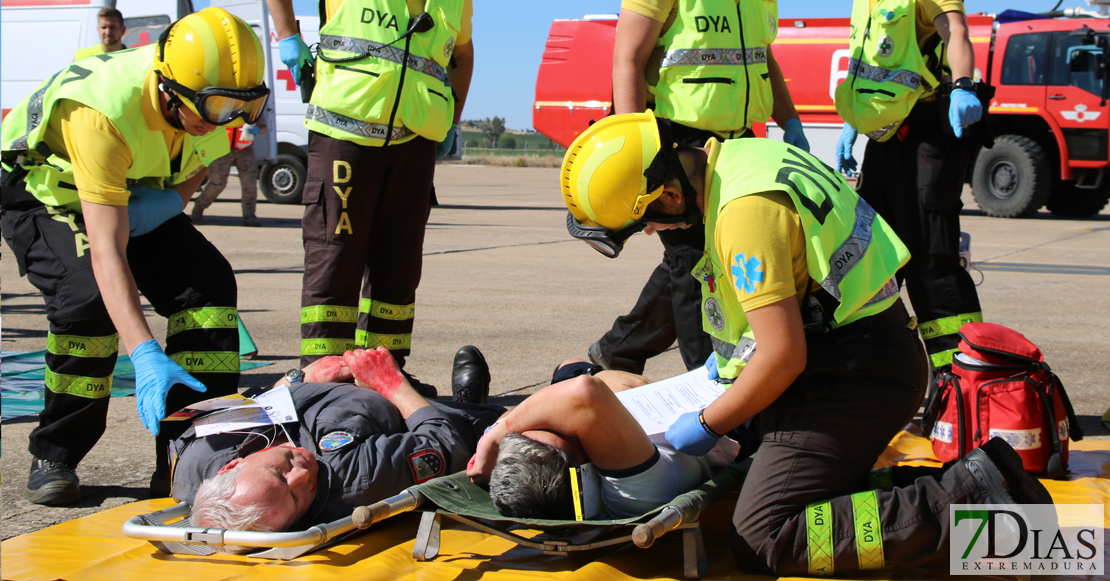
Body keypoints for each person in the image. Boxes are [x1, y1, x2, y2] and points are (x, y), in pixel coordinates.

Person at [558, 111, 1053, 575]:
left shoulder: (743, 215)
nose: (651, 231)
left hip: (854, 378)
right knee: (780, 487)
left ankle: (971, 510)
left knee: (765, 536)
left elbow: (782, 355)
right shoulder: (742, 159)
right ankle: (984, 482)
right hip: (856, 358)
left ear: (668, 193)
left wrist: (709, 423)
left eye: (645, 221)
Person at [1, 8, 271, 506]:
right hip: (45, 191)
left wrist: (169, 203)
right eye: (219, 109)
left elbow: (194, 162)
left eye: (245, 108)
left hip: (126, 189)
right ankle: (56, 451)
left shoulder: (212, 98)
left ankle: (190, 454)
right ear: (169, 90)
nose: (231, 119)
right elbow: (107, 251)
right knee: (85, 297)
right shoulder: (102, 111)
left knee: (207, 284)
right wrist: (144, 352)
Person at [265, 0, 475, 396]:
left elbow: (462, 52)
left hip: (415, 141)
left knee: (399, 265)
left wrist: (453, 116)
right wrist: (288, 36)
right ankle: (322, 380)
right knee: (335, 258)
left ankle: (387, 374)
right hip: (344, 132)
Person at [590, 0, 809, 376]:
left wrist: (790, 120)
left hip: (737, 142)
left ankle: (618, 350)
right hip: (677, 141)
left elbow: (762, 57)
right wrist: (642, 157)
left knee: (688, 258)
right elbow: (627, 59)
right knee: (698, 265)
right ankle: (707, 382)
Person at [176, 346, 502, 553]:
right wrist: (391, 383)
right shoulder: (351, 478)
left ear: (230, 467)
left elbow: (249, 402)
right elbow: (446, 444)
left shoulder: (198, 457)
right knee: (487, 427)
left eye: (279, 472)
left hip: (329, 388)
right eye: (295, 498)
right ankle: (468, 402)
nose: (302, 475)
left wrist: (296, 379)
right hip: (407, 409)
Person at [834, 0, 985, 369]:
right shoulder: (866, 3)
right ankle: (880, 371)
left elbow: (956, 31)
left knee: (930, 259)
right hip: (884, 139)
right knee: (871, 259)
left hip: (929, 130)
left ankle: (958, 378)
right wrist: (855, 120)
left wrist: (964, 85)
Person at [469, 360, 736, 520]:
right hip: (723, 411)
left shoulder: (572, 475)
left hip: (626, 405)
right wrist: (496, 435)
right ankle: (481, 410)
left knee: (568, 368)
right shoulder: (634, 495)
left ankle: (476, 405)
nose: (568, 428)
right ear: (584, 476)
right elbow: (584, 394)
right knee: (601, 381)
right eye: (563, 432)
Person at [191, 119, 268, 227]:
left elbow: (264, 126)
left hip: (245, 149)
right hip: (221, 148)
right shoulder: (223, 104)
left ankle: (249, 216)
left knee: (249, 184)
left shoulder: (253, 105)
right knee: (217, 184)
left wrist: (258, 130)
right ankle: (199, 205)